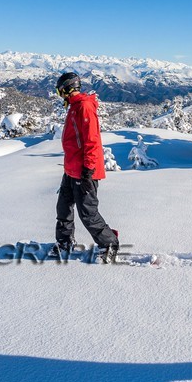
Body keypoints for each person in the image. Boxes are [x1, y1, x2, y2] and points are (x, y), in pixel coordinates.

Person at [54, 72, 120, 261]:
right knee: (63, 207)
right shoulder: (74, 106)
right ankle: (64, 243)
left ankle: (109, 244)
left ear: (66, 88)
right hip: (72, 169)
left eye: (60, 91)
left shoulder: (84, 106)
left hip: (84, 171)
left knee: (87, 212)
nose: (60, 95)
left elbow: (92, 140)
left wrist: (88, 170)